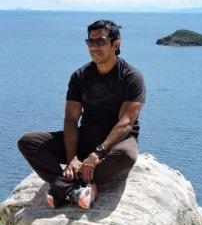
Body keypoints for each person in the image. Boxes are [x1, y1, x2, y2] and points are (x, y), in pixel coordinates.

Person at [17, 19, 146, 210]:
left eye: (100, 41)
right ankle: (72, 185)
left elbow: (126, 122)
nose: (94, 47)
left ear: (116, 44)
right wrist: (72, 158)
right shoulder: (80, 76)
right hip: (86, 138)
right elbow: (71, 120)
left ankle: (66, 186)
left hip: (117, 142)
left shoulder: (131, 77)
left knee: (126, 155)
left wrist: (98, 153)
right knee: (28, 142)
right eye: (90, 41)